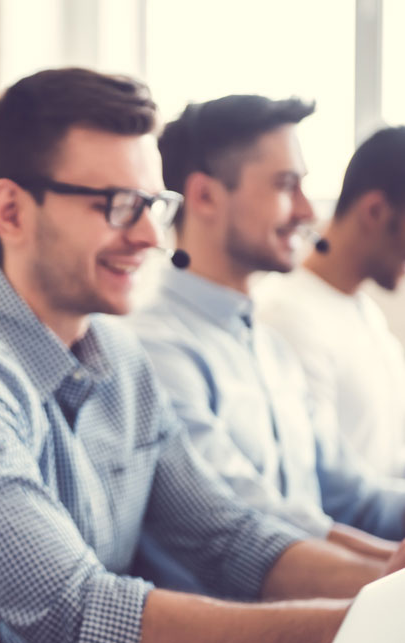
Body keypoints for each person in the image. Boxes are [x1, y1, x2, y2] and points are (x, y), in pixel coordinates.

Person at [0, 68, 405, 643]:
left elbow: (227, 537)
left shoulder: (119, 355)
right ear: (11, 211)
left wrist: (383, 586)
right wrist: (373, 622)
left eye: (154, 206)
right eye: (117, 206)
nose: (148, 236)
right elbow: (83, 614)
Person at [128, 95, 405, 582]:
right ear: (206, 197)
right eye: (286, 185)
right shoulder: (156, 350)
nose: (305, 210)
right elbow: (250, 522)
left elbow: (353, 494)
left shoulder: (270, 346)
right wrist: (382, 570)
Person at [256, 126, 405, 478]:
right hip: (349, 532)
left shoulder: (362, 309)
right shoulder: (286, 315)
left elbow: (384, 458)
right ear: (375, 211)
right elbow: (320, 482)